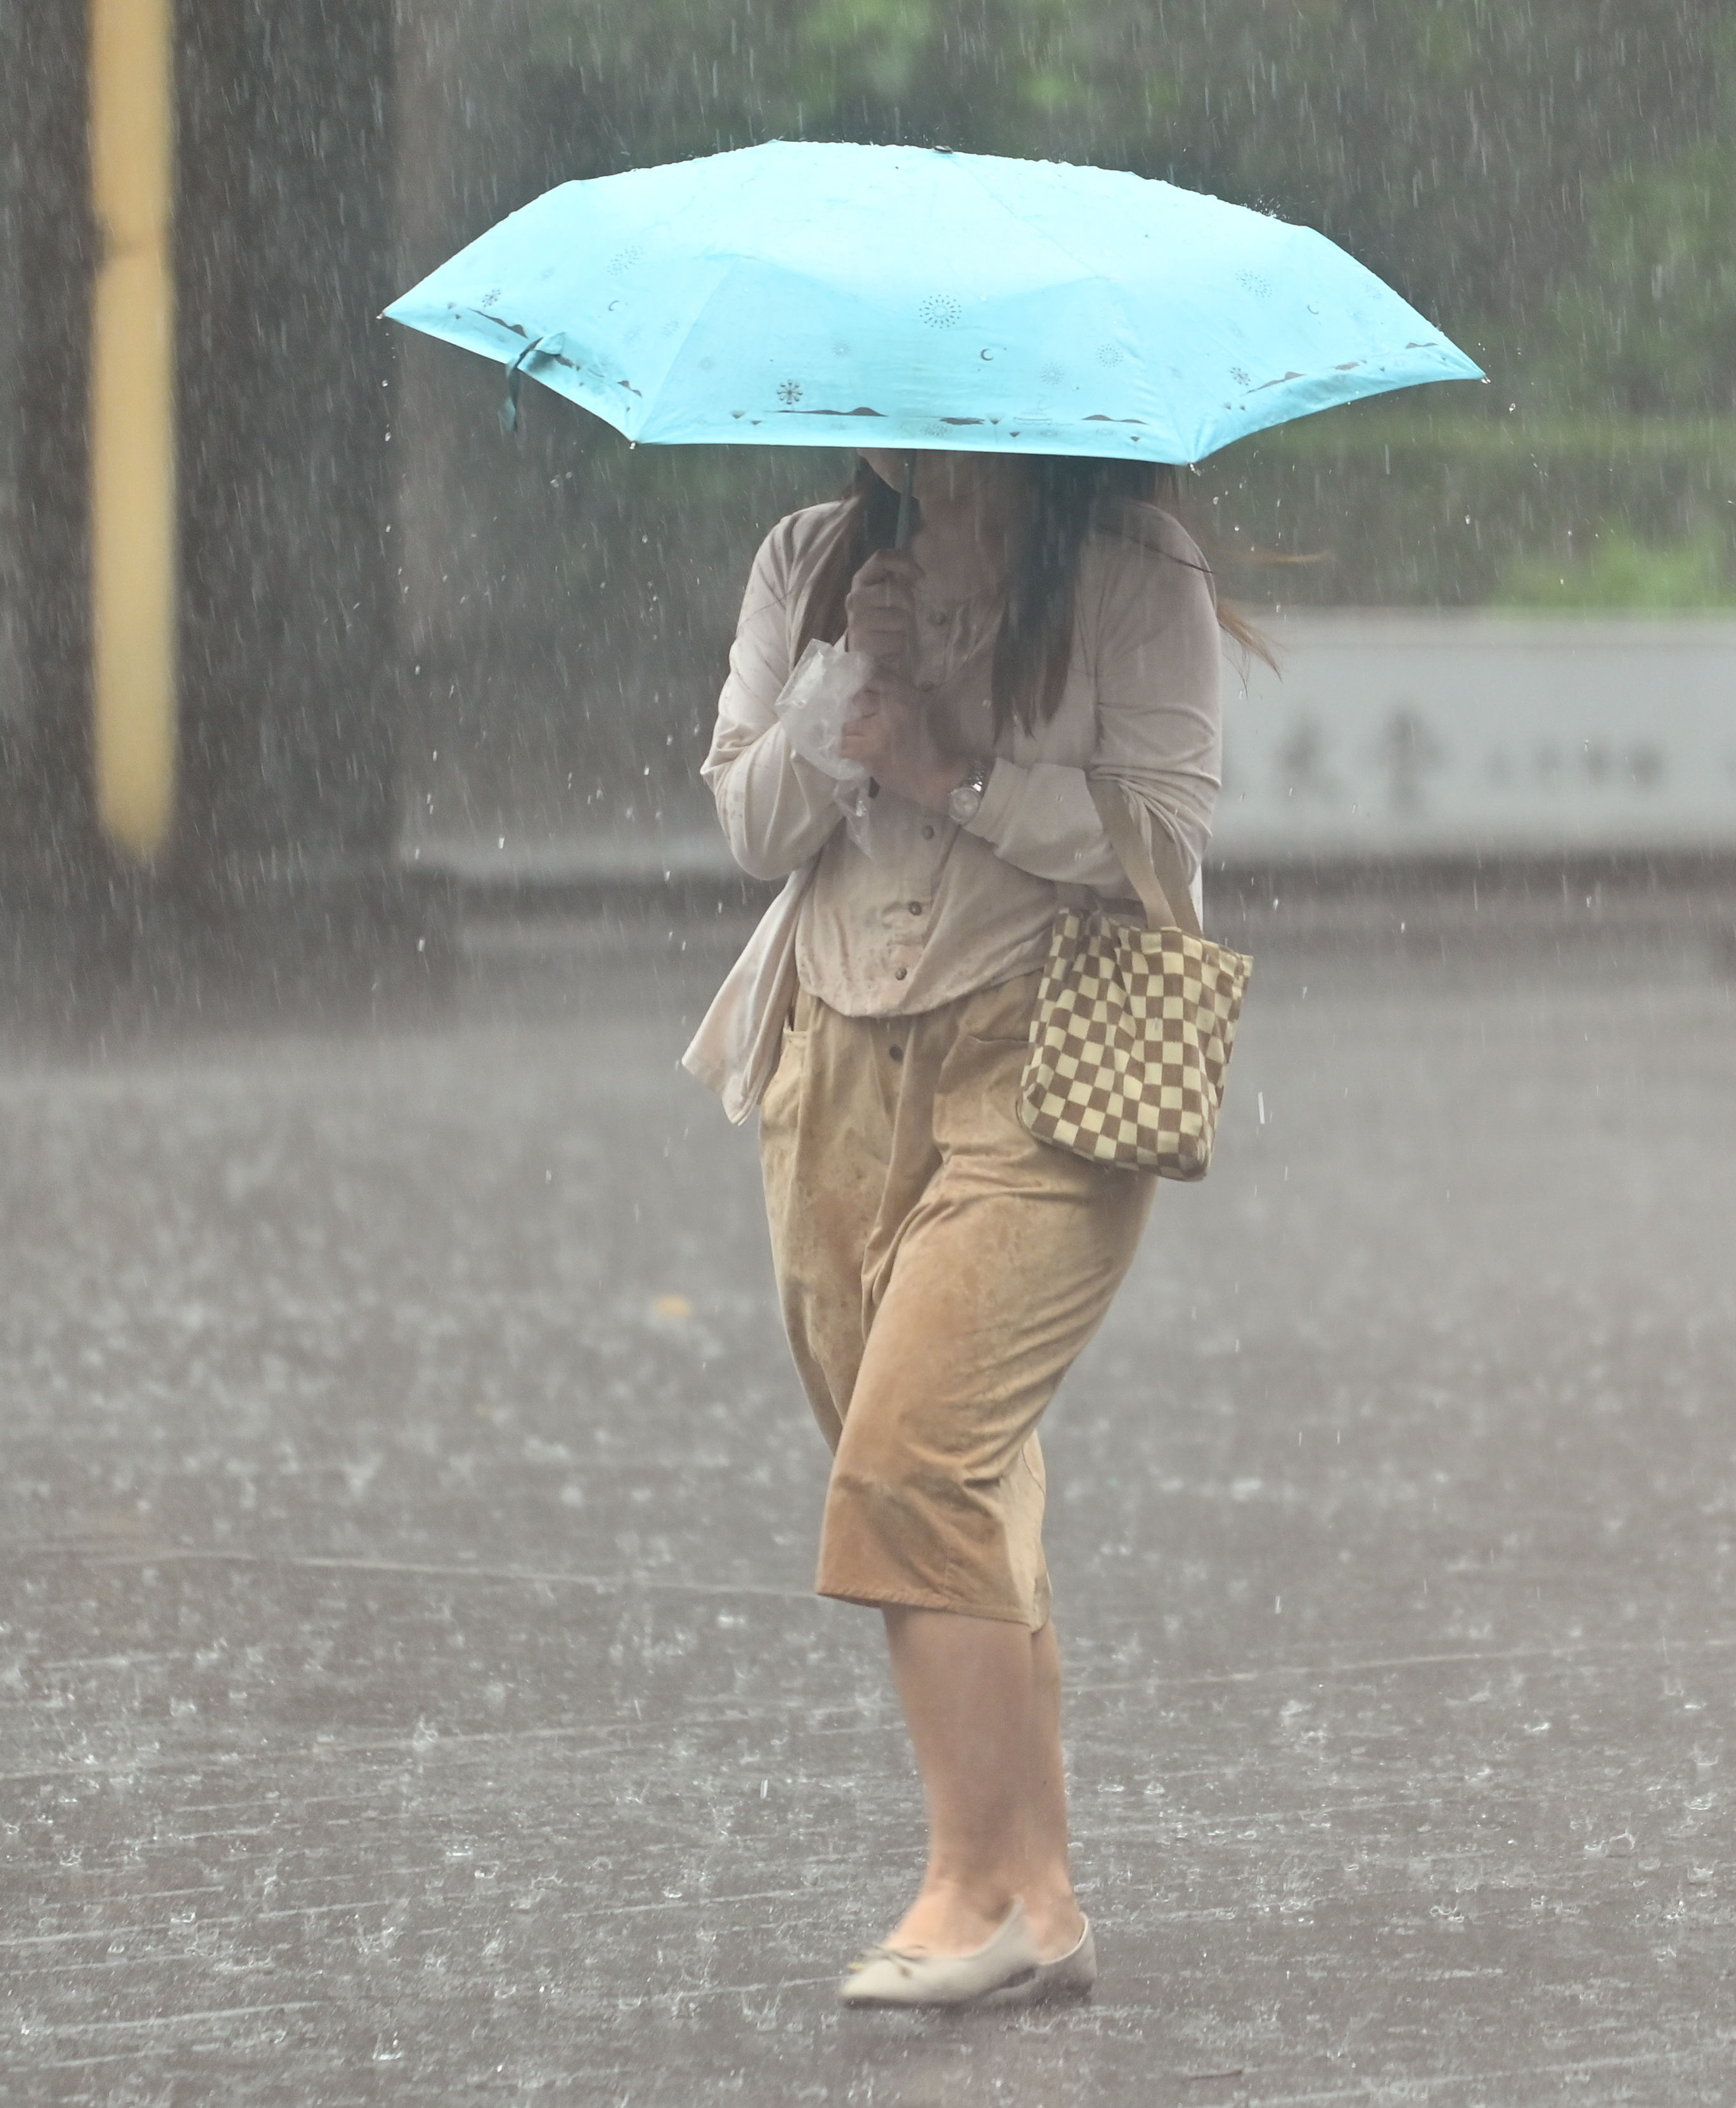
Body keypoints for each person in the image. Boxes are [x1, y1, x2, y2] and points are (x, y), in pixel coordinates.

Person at [685, 446, 1238, 2009]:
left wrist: (952, 768)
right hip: (833, 1068)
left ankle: (971, 1886)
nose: (906, 435)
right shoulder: (808, 556)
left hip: (1043, 1062)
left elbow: (1163, 847)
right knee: (948, 1476)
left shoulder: (1134, 572)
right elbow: (749, 819)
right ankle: (1039, 1897)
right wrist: (848, 690)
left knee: (913, 1458)